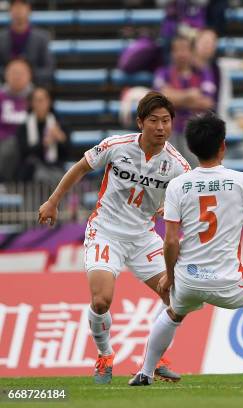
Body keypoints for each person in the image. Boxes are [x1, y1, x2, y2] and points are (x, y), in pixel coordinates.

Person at [128, 112, 243, 386]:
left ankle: (145, 373)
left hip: (188, 279)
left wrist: (170, 278)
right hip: (227, 281)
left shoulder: (178, 185)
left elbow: (171, 241)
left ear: (193, 148)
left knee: (174, 312)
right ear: (223, 146)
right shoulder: (241, 180)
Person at [38, 91, 190, 384]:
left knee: (176, 296)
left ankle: (156, 361)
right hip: (105, 231)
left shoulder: (178, 165)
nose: (161, 128)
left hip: (143, 236)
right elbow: (81, 168)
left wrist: (168, 206)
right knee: (101, 300)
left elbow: (186, 199)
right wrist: (53, 201)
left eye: (166, 121)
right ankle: (105, 354)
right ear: (140, 122)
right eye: (154, 121)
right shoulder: (116, 145)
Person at [154, 36, 215, 167]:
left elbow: (207, 102)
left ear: (192, 52)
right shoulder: (163, 73)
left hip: (195, 134)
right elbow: (159, 100)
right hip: (168, 133)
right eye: (177, 50)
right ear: (171, 53)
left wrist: (173, 98)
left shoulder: (203, 73)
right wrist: (190, 95)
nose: (181, 54)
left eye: (184, 49)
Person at [16, 87, 69, 184]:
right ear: (31, 103)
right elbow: (24, 153)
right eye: (35, 100)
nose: (39, 104)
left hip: (55, 167)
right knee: (41, 176)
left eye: (42, 100)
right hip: (31, 172)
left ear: (49, 102)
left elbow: (66, 154)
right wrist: (44, 143)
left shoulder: (59, 124)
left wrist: (61, 140)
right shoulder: (24, 126)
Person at [0, 0, 54, 86]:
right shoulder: (1, 38)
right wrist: (11, 76)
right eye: (15, 7)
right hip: (6, 89)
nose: (19, 10)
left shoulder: (42, 38)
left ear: (29, 10)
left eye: (22, 6)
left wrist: (27, 75)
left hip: (33, 88)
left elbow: (49, 70)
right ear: (10, 10)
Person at [0, 58, 32, 183]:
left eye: (21, 73)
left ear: (29, 75)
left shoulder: (36, 97)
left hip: (30, 145)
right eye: (13, 73)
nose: (17, 77)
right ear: (6, 75)